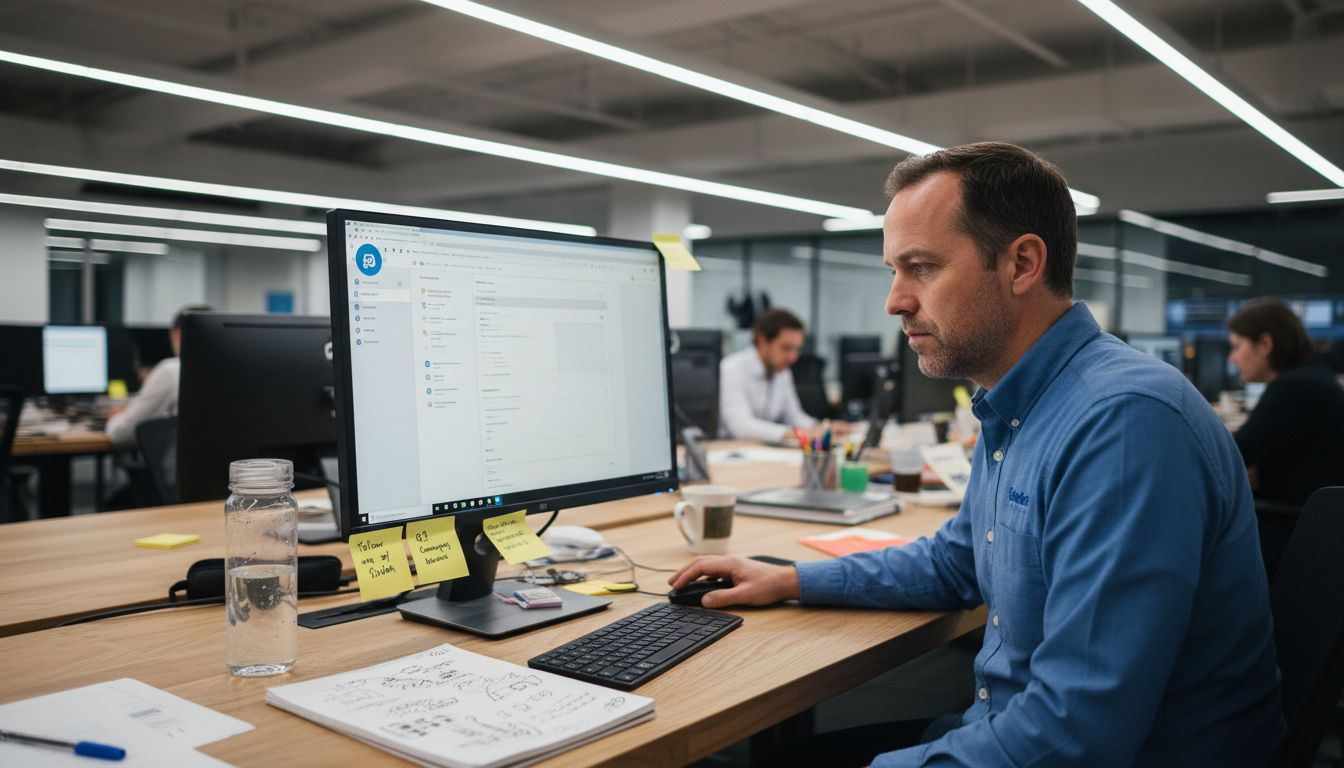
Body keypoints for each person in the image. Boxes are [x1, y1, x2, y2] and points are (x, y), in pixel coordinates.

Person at [674, 142, 1283, 766]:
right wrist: (792, 579)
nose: (896, 300)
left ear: (1021, 264)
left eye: (922, 267)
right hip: (1008, 727)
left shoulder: (1122, 424)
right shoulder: (1022, 403)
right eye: (894, 270)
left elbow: (1077, 735)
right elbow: (955, 560)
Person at [1227, 299, 1344, 507]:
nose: (1232, 359)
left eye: (1236, 346)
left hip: (1293, 522)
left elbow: (1232, 453)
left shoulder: (1294, 387)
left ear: (1265, 344)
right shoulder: (1311, 376)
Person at [105, 305, 211, 447]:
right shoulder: (233, 369)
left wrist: (115, 418)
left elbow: (122, 434)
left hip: (181, 466)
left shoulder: (172, 370)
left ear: (177, 335)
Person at [718, 308, 819, 443]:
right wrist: (794, 433)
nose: (793, 357)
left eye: (796, 349)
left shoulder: (782, 372)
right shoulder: (732, 369)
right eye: (786, 348)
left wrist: (819, 428)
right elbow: (741, 426)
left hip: (765, 453)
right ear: (762, 341)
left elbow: (794, 416)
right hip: (731, 451)